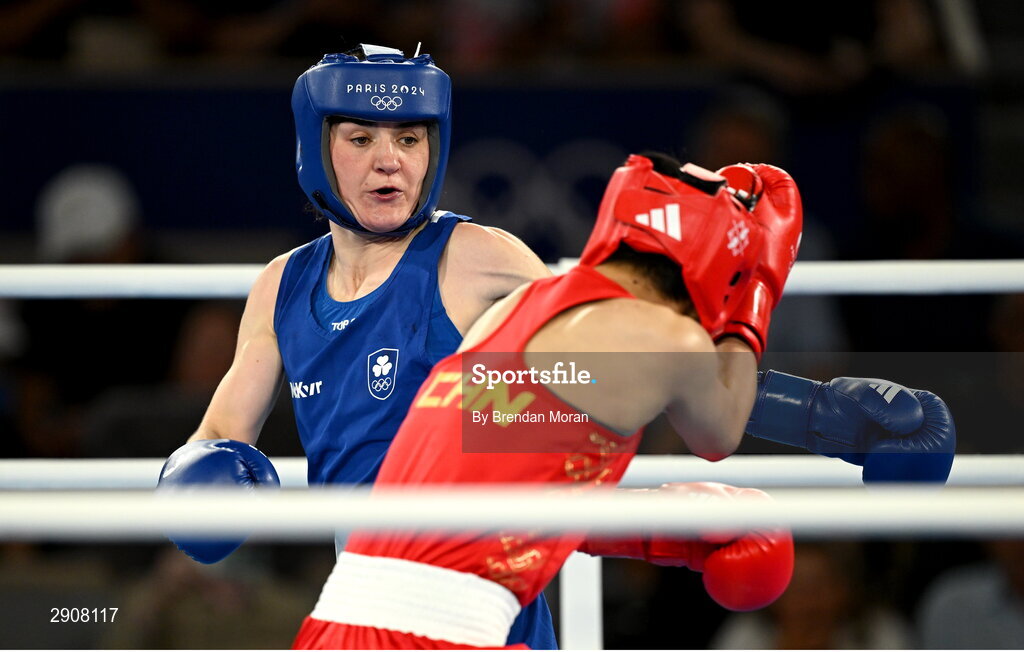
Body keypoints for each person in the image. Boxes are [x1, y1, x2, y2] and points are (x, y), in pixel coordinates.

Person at [287, 152, 956, 649]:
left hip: (338, 624)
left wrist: (649, 529)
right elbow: (718, 430)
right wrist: (757, 293)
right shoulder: (665, 335)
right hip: (444, 634)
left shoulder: (521, 308)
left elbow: (494, 487)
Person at [155, 44, 556, 648]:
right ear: (317, 149)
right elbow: (217, 435)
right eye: (361, 139)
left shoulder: (475, 257)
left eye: (410, 139)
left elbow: (620, 350)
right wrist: (199, 482)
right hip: (365, 597)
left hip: (480, 593)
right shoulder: (281, 287)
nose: (390, 162)